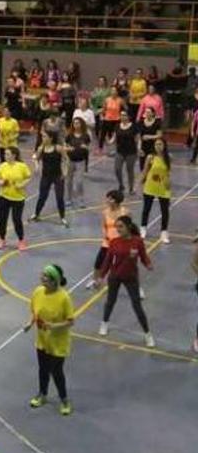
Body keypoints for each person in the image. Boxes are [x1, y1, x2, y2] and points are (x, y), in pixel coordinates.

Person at [95, 215, 155, 347]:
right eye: (117, 227)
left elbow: (143, 256)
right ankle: (104, 323)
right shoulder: (114, 242)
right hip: (115, 277)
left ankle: (148, 334)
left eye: (120, 226)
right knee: (110, 302)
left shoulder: (137, 241)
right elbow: (107, 262)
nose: (118, 229)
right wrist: (101, 277)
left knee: (137, 306)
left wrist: (148, 264)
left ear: (128, 227)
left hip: (131, 278)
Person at [28, 264, 74, 416]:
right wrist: (30, 323)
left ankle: (64, 399)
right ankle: (42, 394)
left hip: (58, 342)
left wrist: (54, 326)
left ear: (55, 281)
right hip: (42, 340)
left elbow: (70, 321)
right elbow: (35, 312)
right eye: (43, 274)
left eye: (46, 276)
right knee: (43, 369)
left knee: (56, 371)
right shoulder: (38, 292)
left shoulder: (64, 298)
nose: (42, 278)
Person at [88, 190, 130, 290]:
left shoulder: (125, 212)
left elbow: (129, 228)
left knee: (127, 267)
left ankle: (136, 287)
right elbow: (104, 226)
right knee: (99, 262)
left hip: (121, 244)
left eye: (110, 198)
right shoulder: (105, 212)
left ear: (116, 201)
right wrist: (106, 236)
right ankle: (95, 280)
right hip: (107, 243)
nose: (107, 200)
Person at [29, 131, 69, 226]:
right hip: (46, 176)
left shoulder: (58, 148)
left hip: (58, 176)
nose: (42, 138)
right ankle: (36, 214)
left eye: (44, 136)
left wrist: (65, 171)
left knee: (59, 197)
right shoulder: (41, 148)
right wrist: (36, 166)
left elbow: (66, 159)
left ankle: (62, 217)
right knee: (42, 196)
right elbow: (36, 159)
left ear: (51, 138)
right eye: (42, 136)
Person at [0, 149, 30, 249]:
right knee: (2, 219)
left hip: (18, 198)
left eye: (7, 154)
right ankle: (2, 239)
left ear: (14, 155)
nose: (5, 156)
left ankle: (21, 240)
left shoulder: (22, 166)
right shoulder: (3, 166)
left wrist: (21, 184)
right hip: (4, 196)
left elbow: (28, 177)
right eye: (5, 154)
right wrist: (0, 182)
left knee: (17, 219)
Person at [139, 138, 172, 244]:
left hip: (163, 187)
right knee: (146, 209)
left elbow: (168, 173)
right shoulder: (150, 157)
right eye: (156, 144)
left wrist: (169, 185)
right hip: (150, 186)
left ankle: (164, 233)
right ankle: (143, 228)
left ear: (164, 145)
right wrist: (139, 183)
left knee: (165, 211)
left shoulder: (169, 157)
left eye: (160, 144)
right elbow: (145, 171)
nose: (158, 146)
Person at [65, 117, 91, 208]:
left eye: (78, 123)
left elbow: (89, 148)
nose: (76, 125)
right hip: (70, 160)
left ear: (81, 124)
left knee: (79, 182)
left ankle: (81, 200)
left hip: (81, 161)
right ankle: (68, 198)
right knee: (69, 181)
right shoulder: (69, 135)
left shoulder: (85, 136)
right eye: (75, 123)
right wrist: (68, 149)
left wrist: (86, 147)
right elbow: (65, 146)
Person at [112, 111, 139, 195]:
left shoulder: (134, 127)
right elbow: (114, 137)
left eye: (125, 115)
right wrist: (110, 141)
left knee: (129, 170)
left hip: (131, 152)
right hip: (120, 151)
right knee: (117, 169)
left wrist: (139, 148)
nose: (123, 117)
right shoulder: (117, 126)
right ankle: (121, 184)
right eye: (121, 115)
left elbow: (138, 139)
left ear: (128, 117)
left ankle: (131, 188)